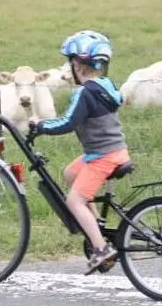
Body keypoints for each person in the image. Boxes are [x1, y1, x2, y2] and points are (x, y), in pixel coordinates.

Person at [29, 30, 130, 275]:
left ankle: (101, 249)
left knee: (73, 200)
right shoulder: (107, 85)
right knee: (70, 173)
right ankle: (94, 224)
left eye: (71, 62)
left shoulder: (84, 92)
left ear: (78, 65)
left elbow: (67, 122)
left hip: (102, 157)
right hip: (114, 151)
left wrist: (40, 125)